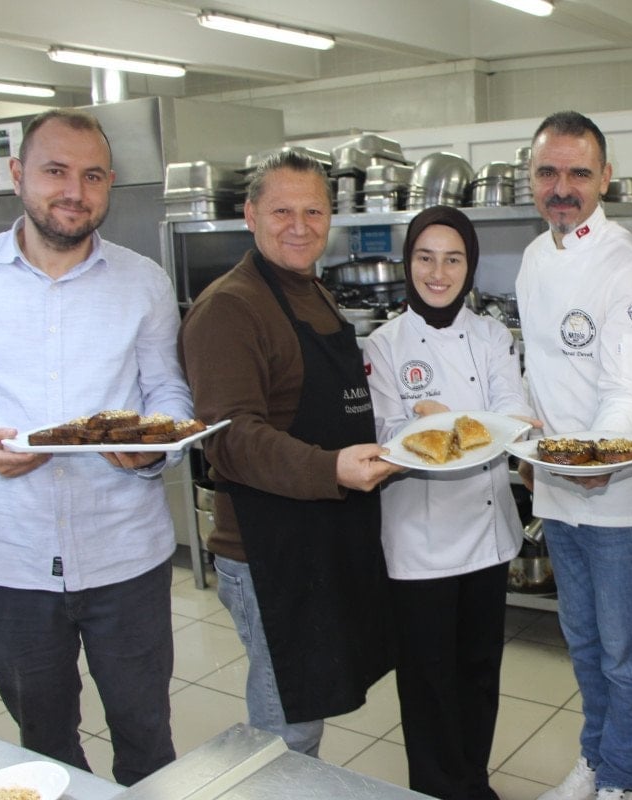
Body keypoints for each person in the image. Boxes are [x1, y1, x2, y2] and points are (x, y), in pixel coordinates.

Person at [0, 108, 191, 784]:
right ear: (17, 174)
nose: (74, 192)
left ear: (109, 183)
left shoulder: (143, 280)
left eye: (92, 176)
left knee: (146, 736)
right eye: (55, 171)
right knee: (44, 746)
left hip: (127, 557)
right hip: (12, 562)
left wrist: (157, 445)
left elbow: (168, 392)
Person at [179, 151, 400, 757]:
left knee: (309, 708)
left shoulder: (313, 292)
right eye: (282, 212)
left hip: (319, 535)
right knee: (287, 727)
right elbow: (230, 437)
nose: (300, 227)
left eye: (314, 212)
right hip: (268, 548)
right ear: (251, 216)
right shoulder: (230, 307)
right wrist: (332, 467)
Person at [515, 110, 632, 800]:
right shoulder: (532, 260)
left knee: (625, 653)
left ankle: (621, 781)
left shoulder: (627, 268)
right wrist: (530, 448)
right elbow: (539, 372)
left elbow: (629, 394)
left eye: (578, 172)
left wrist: (596, 459)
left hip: (621, 497)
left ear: (605, 178)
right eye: (548, 172)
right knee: (581, 642)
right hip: (557, 490)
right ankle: (595, 759)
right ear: (531, 178)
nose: (562, 188)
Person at [363, 205, 537, 799]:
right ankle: (438, 790)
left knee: (479, 673)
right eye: (425, 258)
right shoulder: (384, 344)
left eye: (453, 259)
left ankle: (474, 783)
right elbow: (387, 433)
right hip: (419, 541)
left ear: (470, 266)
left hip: (486, 535)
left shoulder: (490, 336)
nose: (438, 273)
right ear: (408, 263)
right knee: (428, 683)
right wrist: (437, 423)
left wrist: (453, 422)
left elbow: (513, 411)